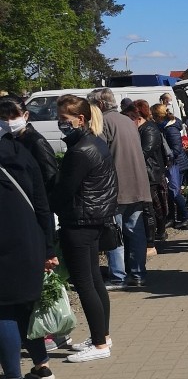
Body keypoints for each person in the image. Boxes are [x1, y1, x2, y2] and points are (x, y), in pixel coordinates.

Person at [50, 95, 117, 362]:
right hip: (93, 219)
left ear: (80, 119)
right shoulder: (95, 143)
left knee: (85, 283)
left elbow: (64, 191)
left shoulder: (80, 151)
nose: (60, 124)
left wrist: (50, 203)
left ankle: (100, 344)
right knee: (94, 281)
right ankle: (103, 335)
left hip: (79, 221)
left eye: (64, 120)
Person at [0, 139, 58, 379]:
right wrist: (48, 247)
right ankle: (42, 365)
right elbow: (42, 203)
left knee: (4, 310)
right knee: (27, 305)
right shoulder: (20, 151)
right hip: (31, 240)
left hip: (4, 244)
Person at [88, 88, 151, 290]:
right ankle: (138, 274)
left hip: (117, 187)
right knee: (135, 231)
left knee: (115, 233)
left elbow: (99, 156)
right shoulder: (128, 121)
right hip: (137, 184)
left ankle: (118, 276)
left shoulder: (103, 122)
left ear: (100, 105)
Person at [126, 100, 170, 244]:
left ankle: (153, 238)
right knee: (150, 206)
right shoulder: (139, 128)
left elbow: (144, 152)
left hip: (151, 174)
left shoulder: (149, 129)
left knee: (150, 207)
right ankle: (155, 234)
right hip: (146, 172)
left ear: (138, 115)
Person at [0, 94, 59, 193]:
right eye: (4, 118)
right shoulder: (7, 138)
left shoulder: (37, 142)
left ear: (25, 115)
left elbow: (50, 177)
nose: (9, 123)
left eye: (14, 117)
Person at [151, 103, 188, 228]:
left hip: (175, 163)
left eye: (153, 115)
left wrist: (167, 158)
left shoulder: (170, 128)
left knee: (174, 191)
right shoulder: (165, 127)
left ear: (158, 116)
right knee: (171, 191)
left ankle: (185, 216)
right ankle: (173, 218)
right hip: (173, 163)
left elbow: (176, 149)